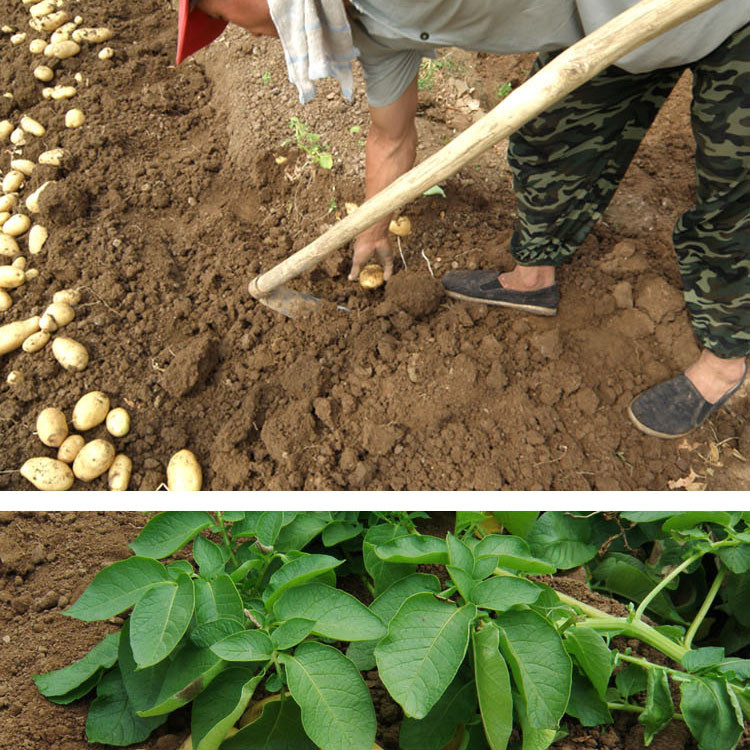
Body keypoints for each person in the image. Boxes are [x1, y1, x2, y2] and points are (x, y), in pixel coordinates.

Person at [175, 0, 749, 439]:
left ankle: (725, 363)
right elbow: (390, 134)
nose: (241, 32)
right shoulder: (371, 30)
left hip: (721, 18)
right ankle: (533, 279)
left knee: (736, 198)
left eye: (217, 10)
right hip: (606, 32)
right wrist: (373, 229)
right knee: (549, 142)